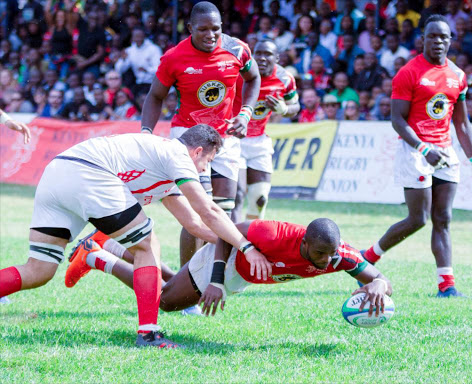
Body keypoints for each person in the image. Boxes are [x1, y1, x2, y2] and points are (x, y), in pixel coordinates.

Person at [0, 124, 272, 348]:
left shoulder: (163, 164)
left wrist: (231, 244)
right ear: (198, 151)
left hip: (57, 173)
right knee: (147, 244)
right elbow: (209, 210)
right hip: (87, 172)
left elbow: (195, 225)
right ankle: (148, 333)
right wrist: (247, 245)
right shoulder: (177, 155)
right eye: (207, 162)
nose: (204, 171)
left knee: (40, 270)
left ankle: (106, 267)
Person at [140, 2, 261, 314]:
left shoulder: (237, 49)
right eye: (204, 29)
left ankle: (219, 279)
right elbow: (155, 96)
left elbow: (253, 79)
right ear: (190, 29)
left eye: (216, 29)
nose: (211, 35)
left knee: (226, 211)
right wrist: (145, 132)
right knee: (198, 214)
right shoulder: (174, 57)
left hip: (227, 138)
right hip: (189, 137)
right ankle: (185, 286)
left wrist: (246, 113)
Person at [362, 15, 472, 298]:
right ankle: (369, 257)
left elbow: (462, 123)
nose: (438, 41)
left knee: (443, 218)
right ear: (423, 39)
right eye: (432, 36)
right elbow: (397, 120)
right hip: (415, 152)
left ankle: (447, 286)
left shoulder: (458, 76)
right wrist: (423, 148)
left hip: (444, 152)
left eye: (443, 37)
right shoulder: (409, 73)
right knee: (417, 219)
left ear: (451, 40)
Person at [66, 218, 393, 318]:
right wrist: (218, 282)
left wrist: (379, 284)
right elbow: (226, 233)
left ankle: (105, 244)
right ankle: (95, 256)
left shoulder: (337, 256)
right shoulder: (274, 233)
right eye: (319, 253)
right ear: (305, 242)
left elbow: (380, 278)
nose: (325, 261)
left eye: (330, 254)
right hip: (230, 259)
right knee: (166, 301)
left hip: (244, 276)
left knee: (177, 283)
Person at [232, 40, 300, 223]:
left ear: (277, 58)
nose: (262, 58)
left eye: (268, 54)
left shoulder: (285, 79)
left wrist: (284, 109)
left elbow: (296, 106)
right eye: (258, 53)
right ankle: (232, 243)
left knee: (260, 199)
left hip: (259, 141)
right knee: (236, 195)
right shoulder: (240, 74)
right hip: (234, 138)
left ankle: (252, 238)